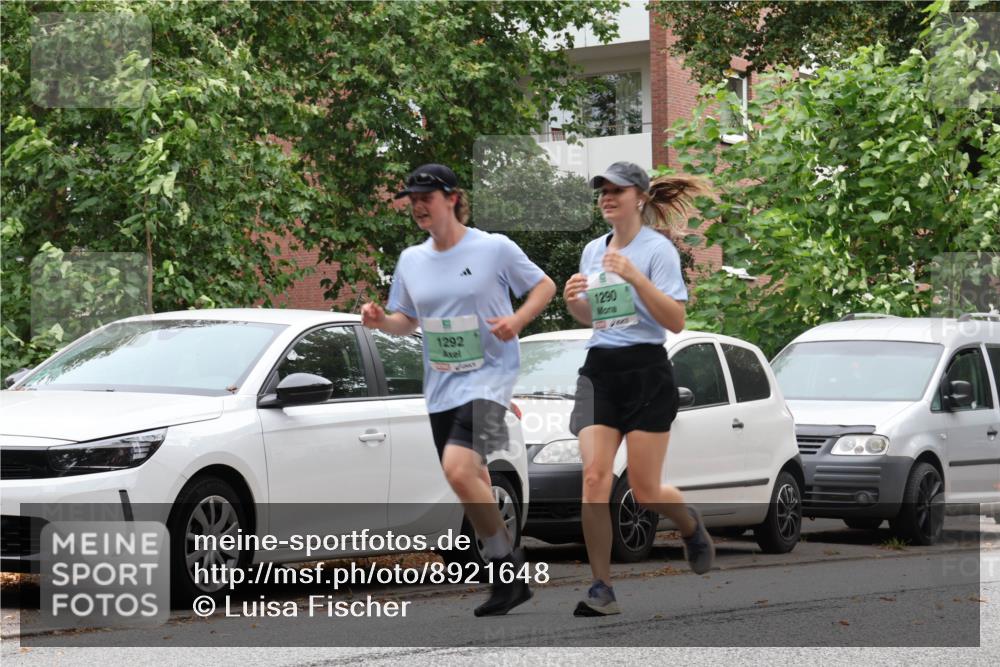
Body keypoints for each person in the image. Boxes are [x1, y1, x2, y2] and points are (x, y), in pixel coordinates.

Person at [362, 163, 556, 617]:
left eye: (425, 197)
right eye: (411, 199)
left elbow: (544, 286)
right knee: (474, 480)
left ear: (452, 197)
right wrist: (379, 321)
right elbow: (405, 320)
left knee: (457, 469)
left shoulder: (494, 249)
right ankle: (511, 580)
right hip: (442, 385)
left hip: (491, 376)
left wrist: (518, 320)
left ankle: (503, 568)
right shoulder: (411, 259)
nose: (417, 206)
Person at [563, 161, 715, 616]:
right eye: (602, 191)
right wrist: (575, 304)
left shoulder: (657, 251)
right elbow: (597, 318)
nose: (607, 197)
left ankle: (689, 526)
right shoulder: (593, 250)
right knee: (594, 480)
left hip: (647, 369)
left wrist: (634, 276)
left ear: (641, 198)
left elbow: (674, 320)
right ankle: (601, 587)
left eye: (617, 190)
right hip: (600, 370)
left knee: (646, 491)